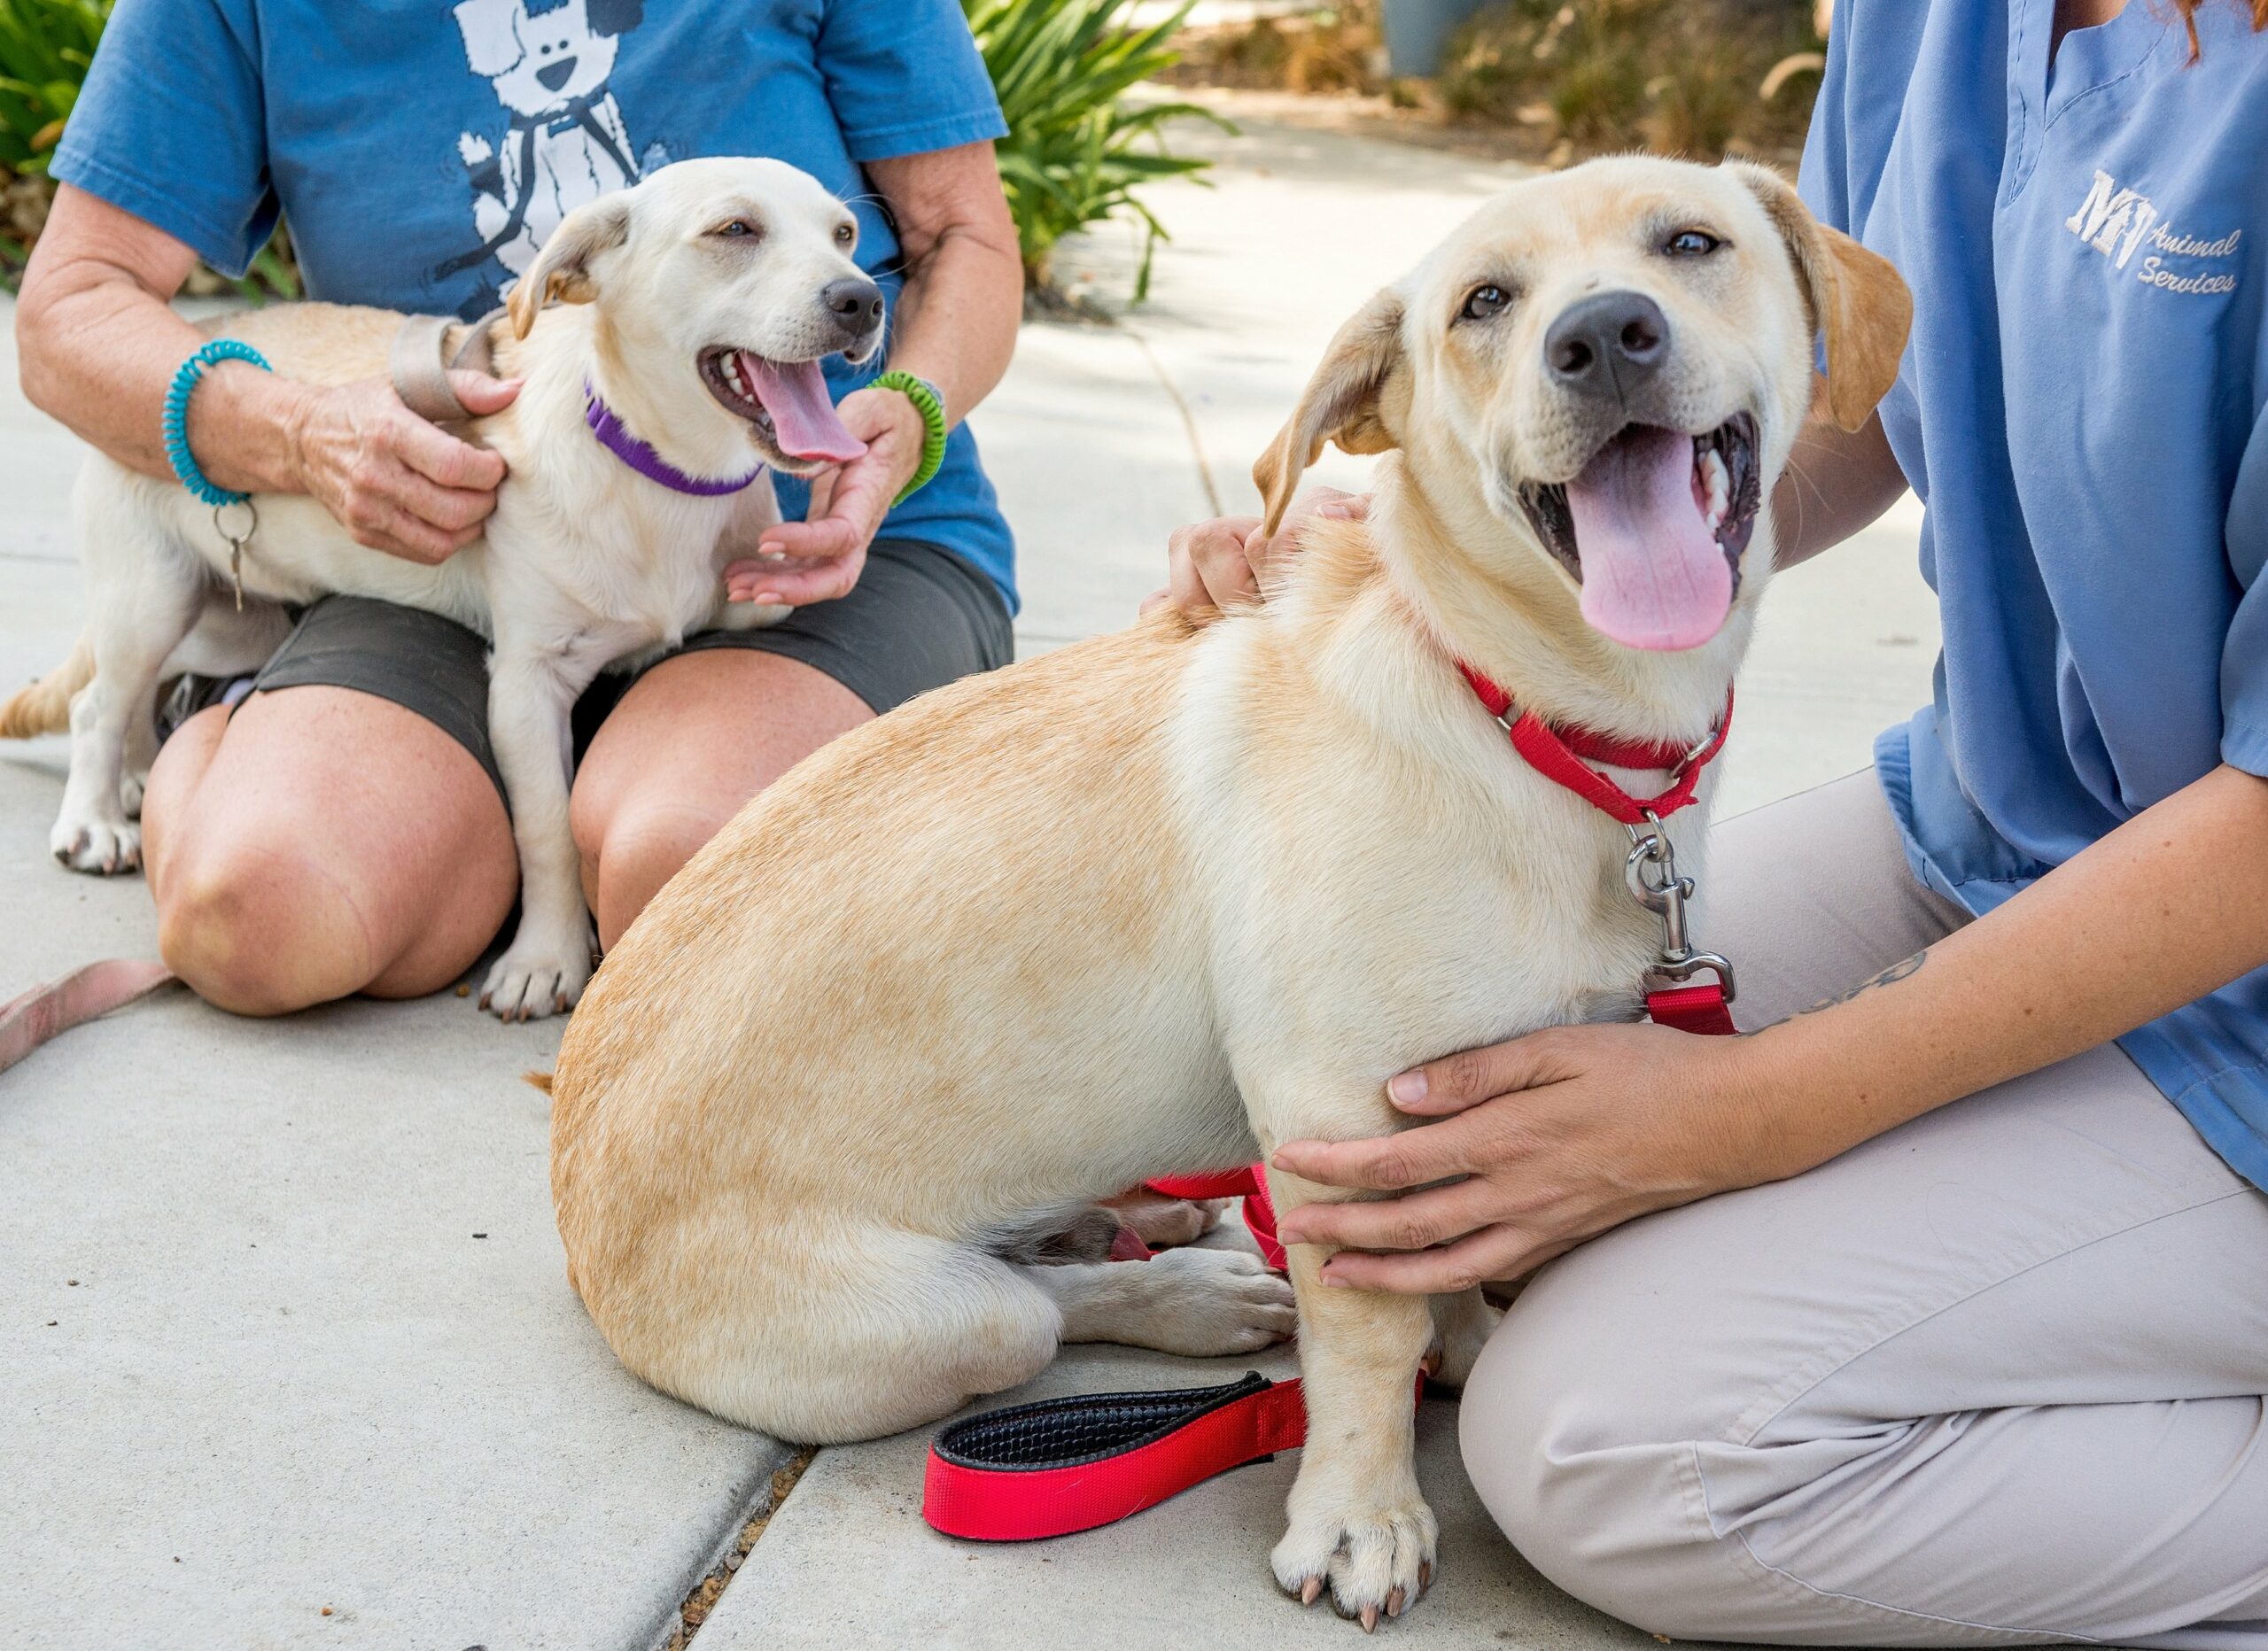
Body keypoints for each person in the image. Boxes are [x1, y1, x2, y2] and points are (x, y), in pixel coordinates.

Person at [1163, 0, 2268, 1638]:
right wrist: (1459, 543)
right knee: (1452, 1091)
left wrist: (1747, 1111)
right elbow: (1854, 395)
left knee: (1608, 1445)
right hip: (2002, 824)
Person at [15, 0, 1023, 1014]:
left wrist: (912, 405)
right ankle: (221, 701)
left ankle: (575, 804)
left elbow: (964, 235)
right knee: (261, 914)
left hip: (831, 541)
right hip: (456, 546)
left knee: (685, 883)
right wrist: (296, 432)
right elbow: (71, 311)